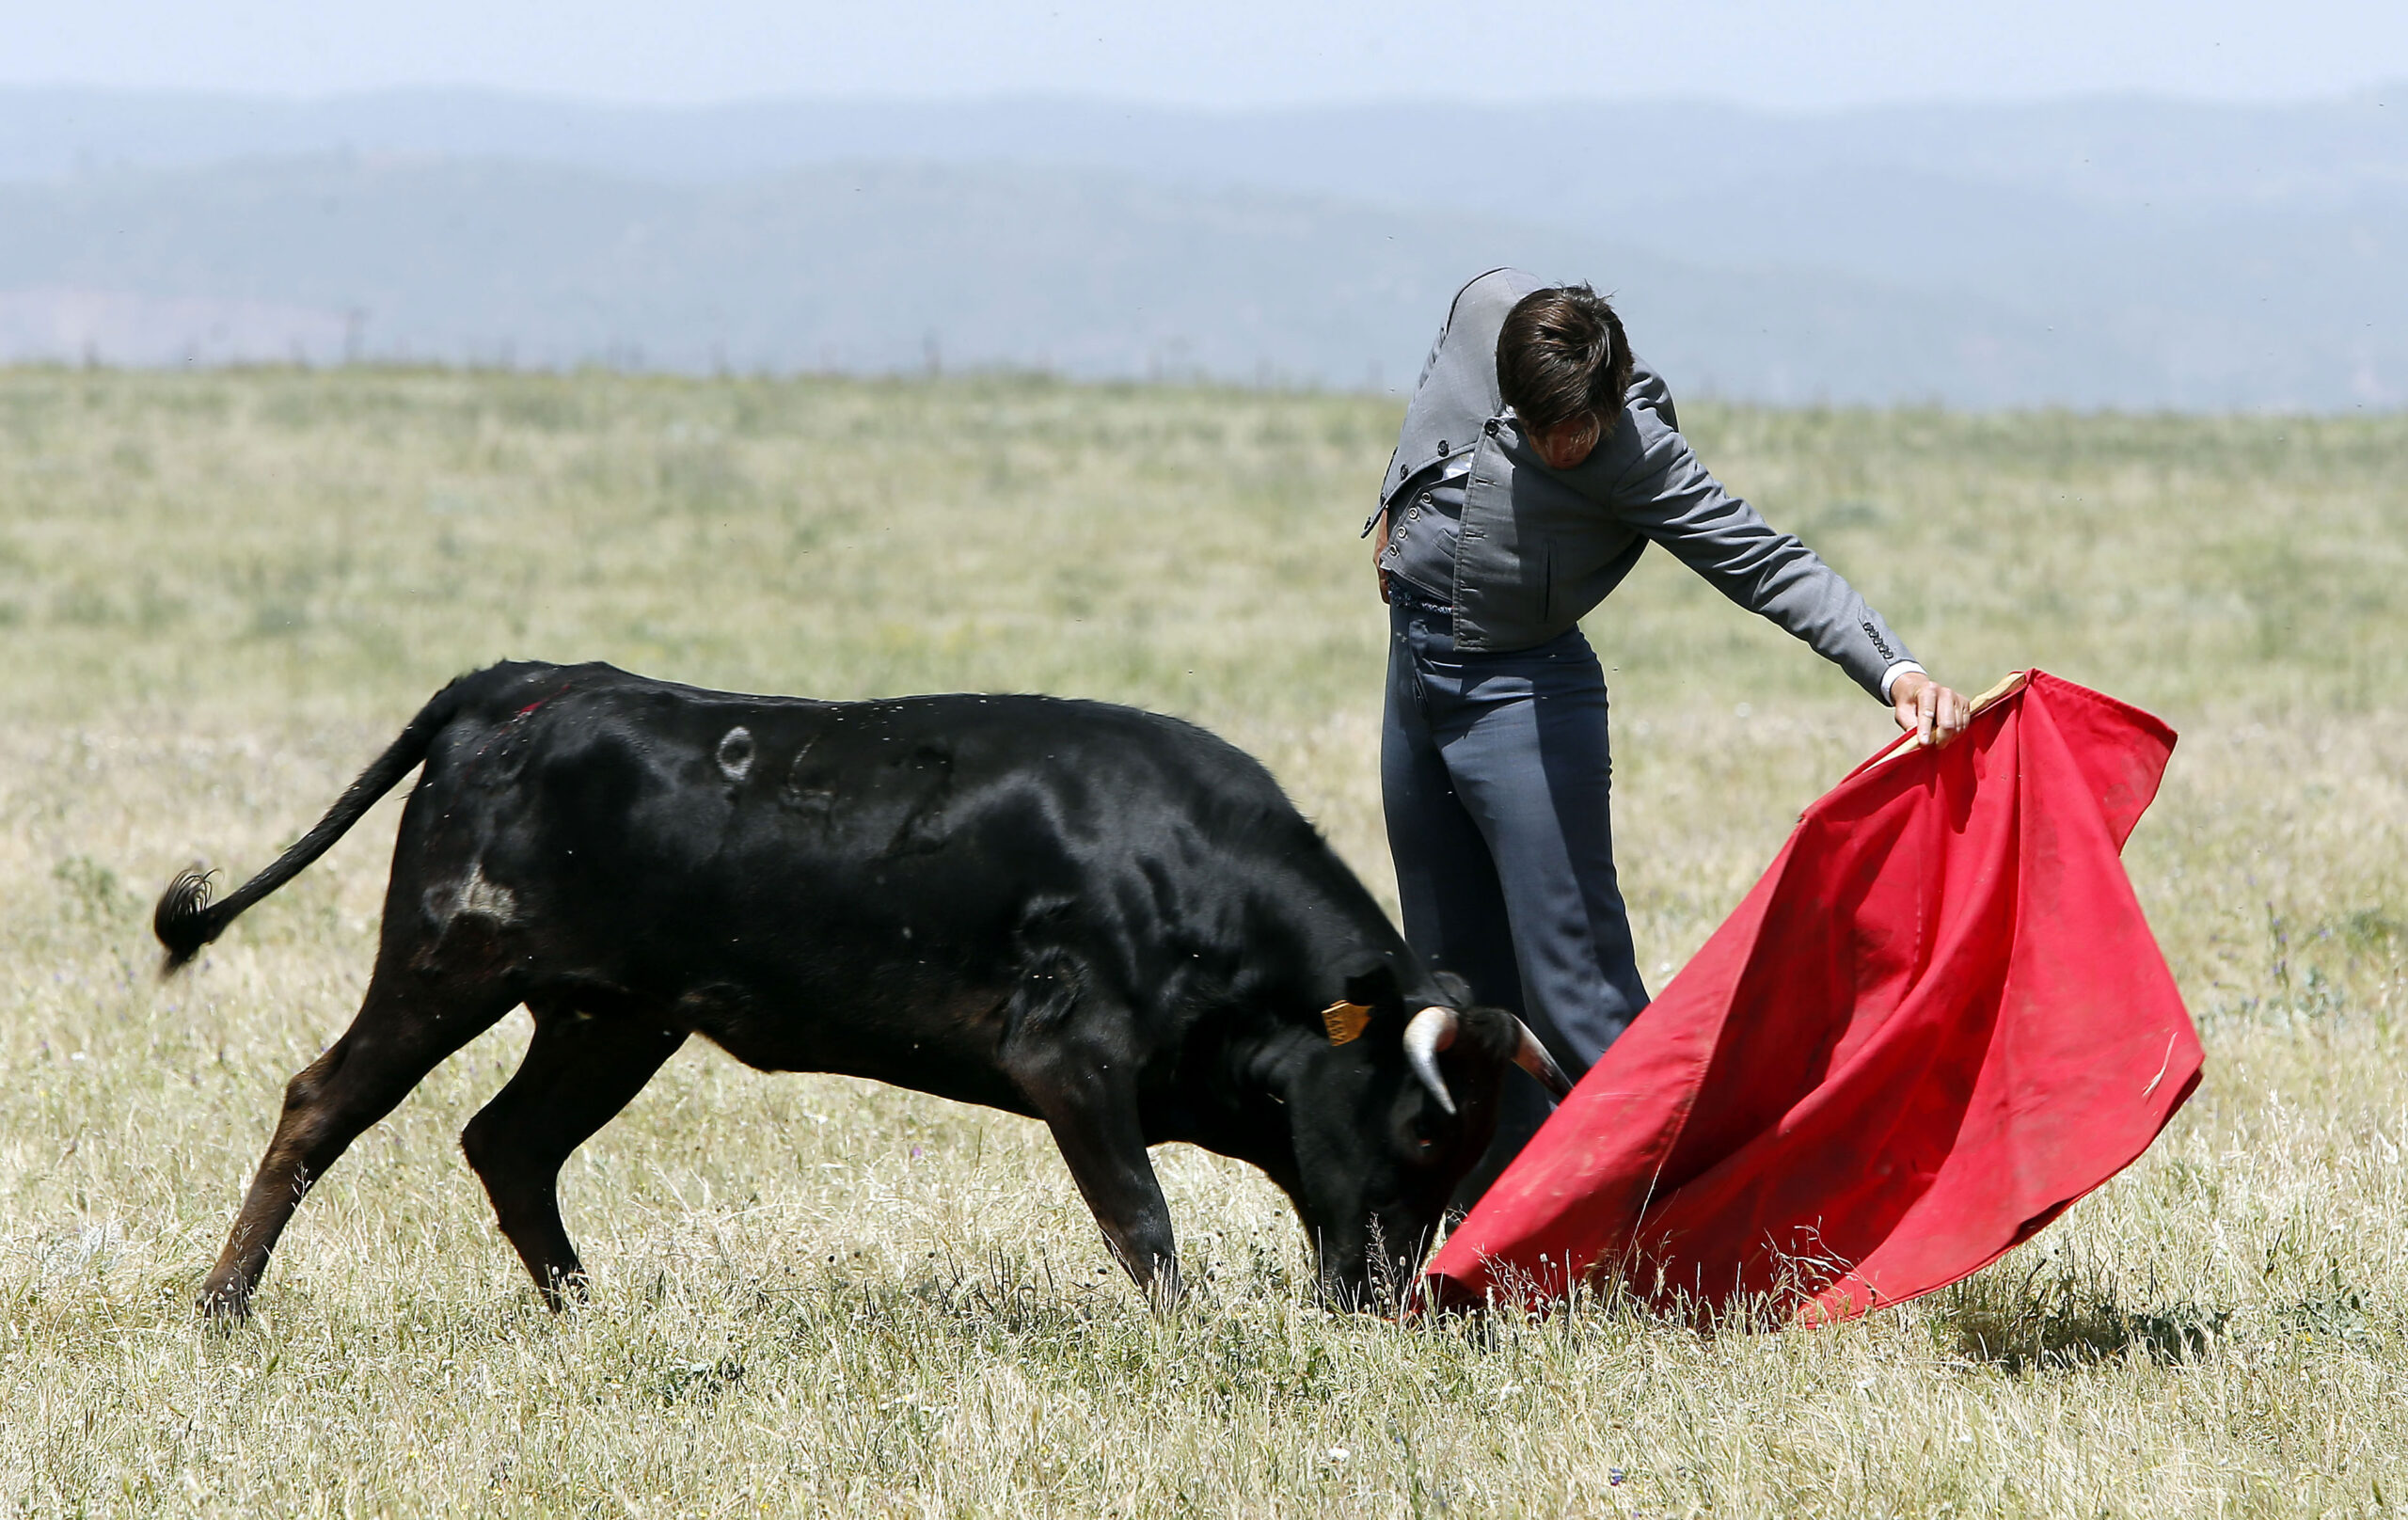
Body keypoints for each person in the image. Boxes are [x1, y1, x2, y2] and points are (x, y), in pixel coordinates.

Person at [1368, 268, 1971, 1209]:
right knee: (1451, 979)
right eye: (1538, 426)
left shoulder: (1637, 454)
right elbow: (1438, 376)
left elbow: (1768, 561)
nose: (1558, 446)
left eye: (1576, 428)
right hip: (1414, 679)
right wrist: (1396, 506)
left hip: (1522, 699)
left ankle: (1696, 1215)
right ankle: (1497, 1233)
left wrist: (1896, 671)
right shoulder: (1489, 307)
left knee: (1576, 991)